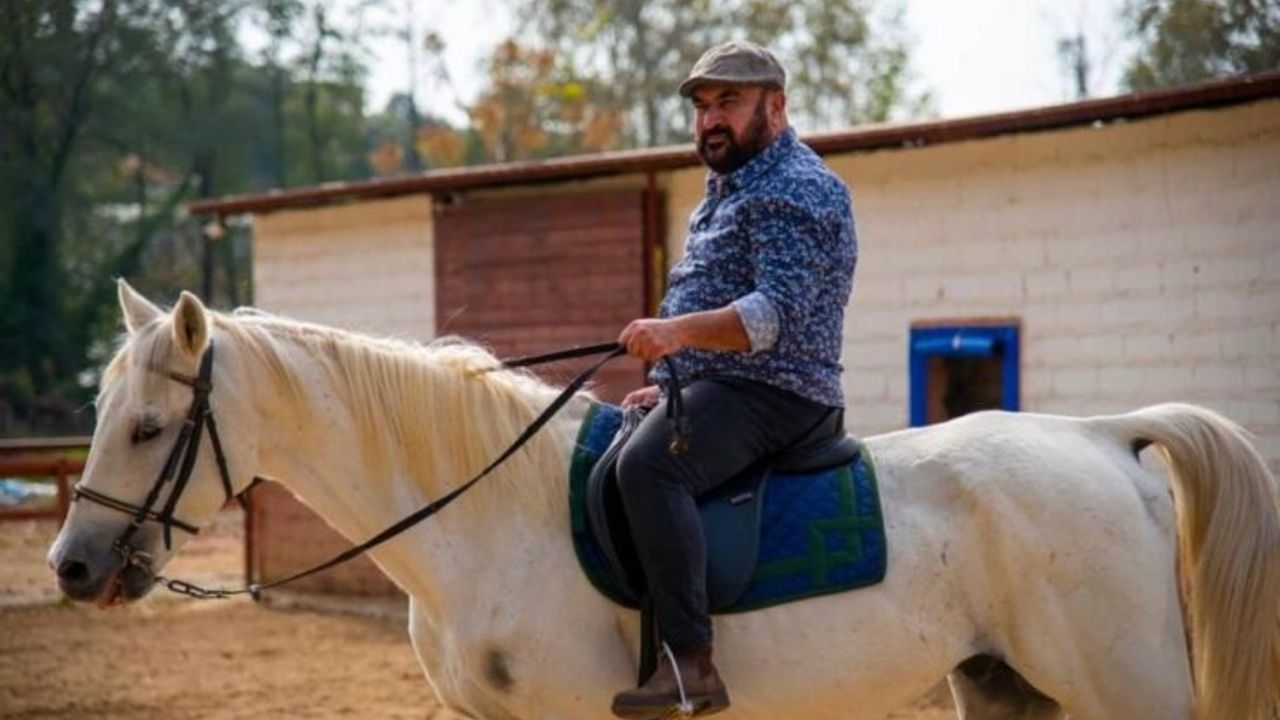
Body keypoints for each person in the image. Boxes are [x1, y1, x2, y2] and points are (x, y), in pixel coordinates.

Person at [609, 40, 858, 719]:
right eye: (702, 106)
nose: (710, 119)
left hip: (781, 393)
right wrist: (672, 381)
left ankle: (691, 665)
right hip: (728, 386)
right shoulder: (726, 190)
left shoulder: (796, 188)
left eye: (730, 102)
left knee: (649, 469)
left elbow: (772, 315)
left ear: (774, 107)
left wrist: (673, 335)